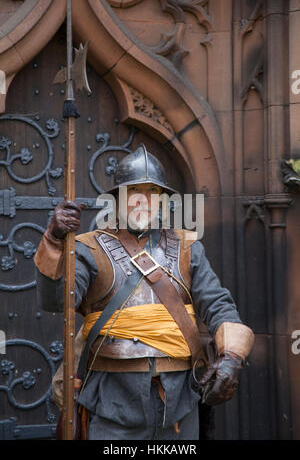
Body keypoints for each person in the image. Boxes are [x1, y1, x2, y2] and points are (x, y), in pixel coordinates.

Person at [34, 144, 254, 440]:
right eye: (135, 189)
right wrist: (54, 240)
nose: (143, 199)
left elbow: (218, 305)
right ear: (119, 198)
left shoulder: (188, 248)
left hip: (179, 404)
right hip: (112, 403)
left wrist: (232, 357)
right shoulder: (88, 249)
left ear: (162, 199)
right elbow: (56, 303)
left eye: (153, 191)